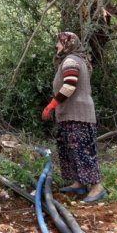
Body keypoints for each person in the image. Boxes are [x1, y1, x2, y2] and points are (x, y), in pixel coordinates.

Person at [42, 31, 106, 203]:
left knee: (82, 151)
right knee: (70, 150)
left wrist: (51, 106)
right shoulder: (72, 60)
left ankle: (97, 187)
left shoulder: (71, 61)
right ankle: (78, 183)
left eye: (59, 42)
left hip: (78, 115)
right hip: (69, 114)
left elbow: (69, 87)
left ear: (67, 43)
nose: (57, 46)